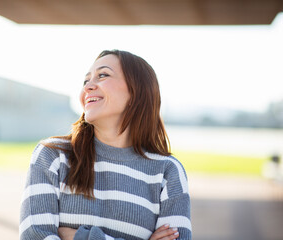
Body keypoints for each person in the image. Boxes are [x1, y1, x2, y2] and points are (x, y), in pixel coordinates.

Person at [20, 50, 192, 240]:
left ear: (137, 91)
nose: (88, 87)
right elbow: (34, 236)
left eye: (103, 75)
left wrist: (80, 237)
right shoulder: (52, 155)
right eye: (86, 81)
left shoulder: (168, 171)